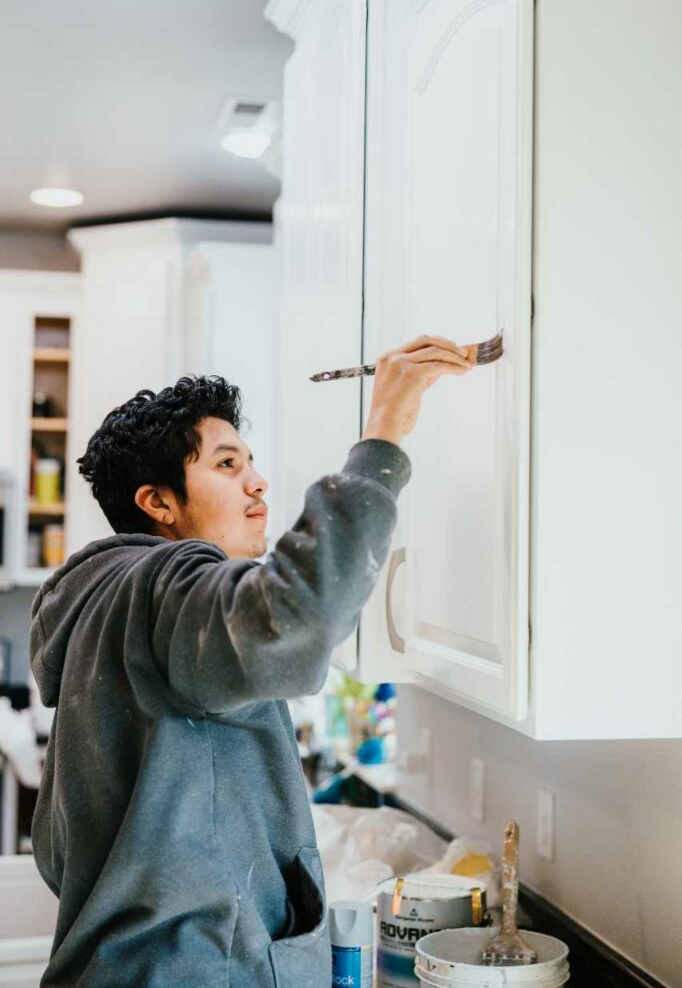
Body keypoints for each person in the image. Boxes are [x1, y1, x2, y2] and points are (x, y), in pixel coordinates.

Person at [30, 334, 475, 987]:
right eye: (228, 464)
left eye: (250, 461)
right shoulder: (166, 585)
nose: (258, 480)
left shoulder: (98, 598)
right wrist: (383, 437)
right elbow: (292, 620)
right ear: (159, 503)